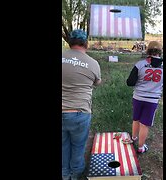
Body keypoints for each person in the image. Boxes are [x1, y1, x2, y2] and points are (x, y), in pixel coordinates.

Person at [62, 29, 101, 180]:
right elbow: (97, 82)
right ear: (86, 43)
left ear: (70, 42)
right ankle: (76, 174)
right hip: (80, 112)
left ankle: (64, 174)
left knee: (63, 146)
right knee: (78, 146)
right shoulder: (93, 63)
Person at [126, 41, 163, 153]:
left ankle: (133, 139)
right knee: (145, 124)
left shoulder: (140, 64)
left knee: (136, 119)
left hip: (138, 98)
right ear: (160, 52)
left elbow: (130, 82)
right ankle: (141, 147)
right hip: (152, 100)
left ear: (148, 50)